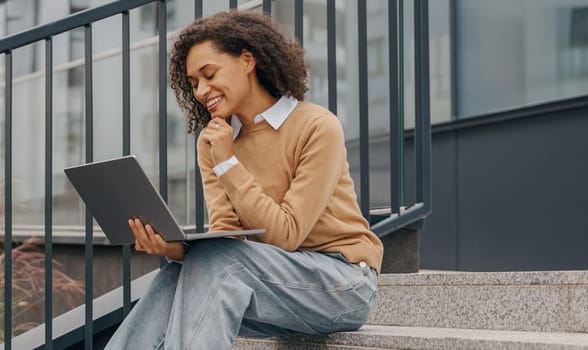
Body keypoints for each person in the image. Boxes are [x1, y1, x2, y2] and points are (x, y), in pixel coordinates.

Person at [104, 11, 384, 349]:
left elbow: (286, 234)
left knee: (218, 262)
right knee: (174, 276)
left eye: (209, 74)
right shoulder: (213, 143)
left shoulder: (316, 126)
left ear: (247, 60)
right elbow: (229, 233)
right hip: (270, 284)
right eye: (193, 83)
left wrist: (229, 161)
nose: (202, 91)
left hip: (342, 284)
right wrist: (174, 249)